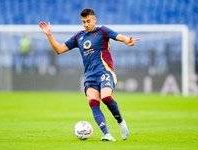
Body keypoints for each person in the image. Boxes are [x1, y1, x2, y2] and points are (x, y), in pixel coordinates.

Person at [39, 8, 140, 141]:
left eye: (88, 21)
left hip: (105, 71)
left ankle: (121, 123)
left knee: (106, 98)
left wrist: (128, 41)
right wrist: (49, 35)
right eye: (83, 22)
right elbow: (59, 49)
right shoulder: (79, 37)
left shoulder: (102, 31)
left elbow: (119, 36)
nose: (86, 24)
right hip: (90, 76)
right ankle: (107, 135)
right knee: (93, 102)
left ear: (94, 20)